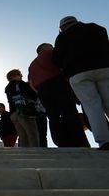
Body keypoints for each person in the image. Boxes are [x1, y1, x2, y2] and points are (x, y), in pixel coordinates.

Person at [53, 16, 109, 150]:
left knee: (92, 105)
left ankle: (105, 141)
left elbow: (56, 59)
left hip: (78, 73)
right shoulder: (97, 28)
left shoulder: (62, 37)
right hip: (104, 68)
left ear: (62, 28)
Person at [28, 43, 90, 147]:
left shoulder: (32, 65)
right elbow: (63, 66)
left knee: (53, 117)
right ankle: (79, 142)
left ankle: (61, 142)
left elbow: (30, 82)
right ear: (43, 48)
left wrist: (39, 92)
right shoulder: (51, 53)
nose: (52, 47)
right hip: (58, 83)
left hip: (42, 90)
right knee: (69, 112)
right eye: (49, 45)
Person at [5, 69, 39, 147]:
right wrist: (31, 86)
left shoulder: (8, 87)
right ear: (13, 76)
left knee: (22, 135)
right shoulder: (22, 84)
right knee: (32, 132)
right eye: (19, 74)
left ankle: (23, 152)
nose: (21, 75)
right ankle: (35, 152)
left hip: (13, 113)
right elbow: (34, 95)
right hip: (24, 112)